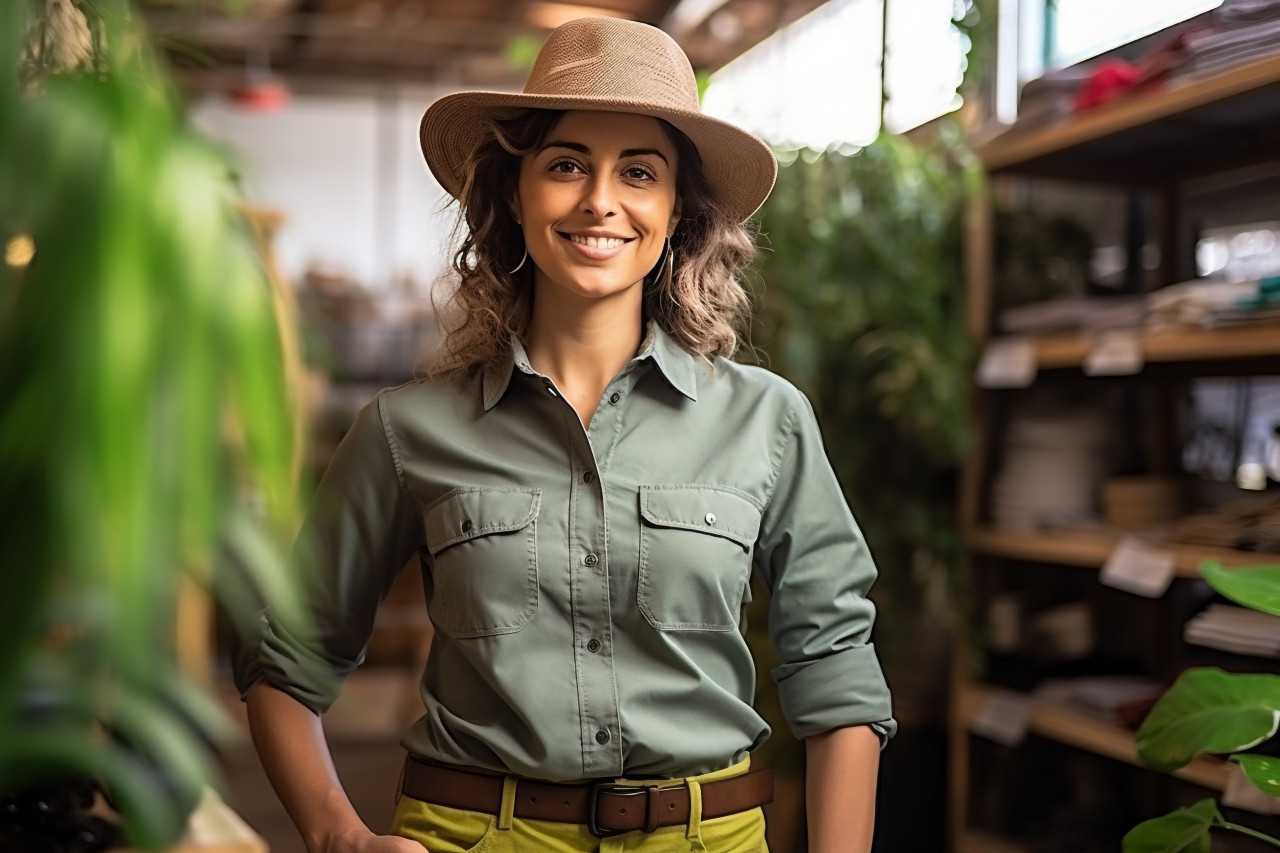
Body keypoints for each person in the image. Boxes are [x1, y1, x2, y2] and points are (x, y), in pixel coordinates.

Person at [236, 16, 895, 853]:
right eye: (566, 164)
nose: (600, 200)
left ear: (675, 210)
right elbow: (285, 661)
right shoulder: (407, 430)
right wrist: (338, 834)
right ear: (515, 193)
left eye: (639, 172)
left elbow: (836, 673)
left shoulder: (767, 421)